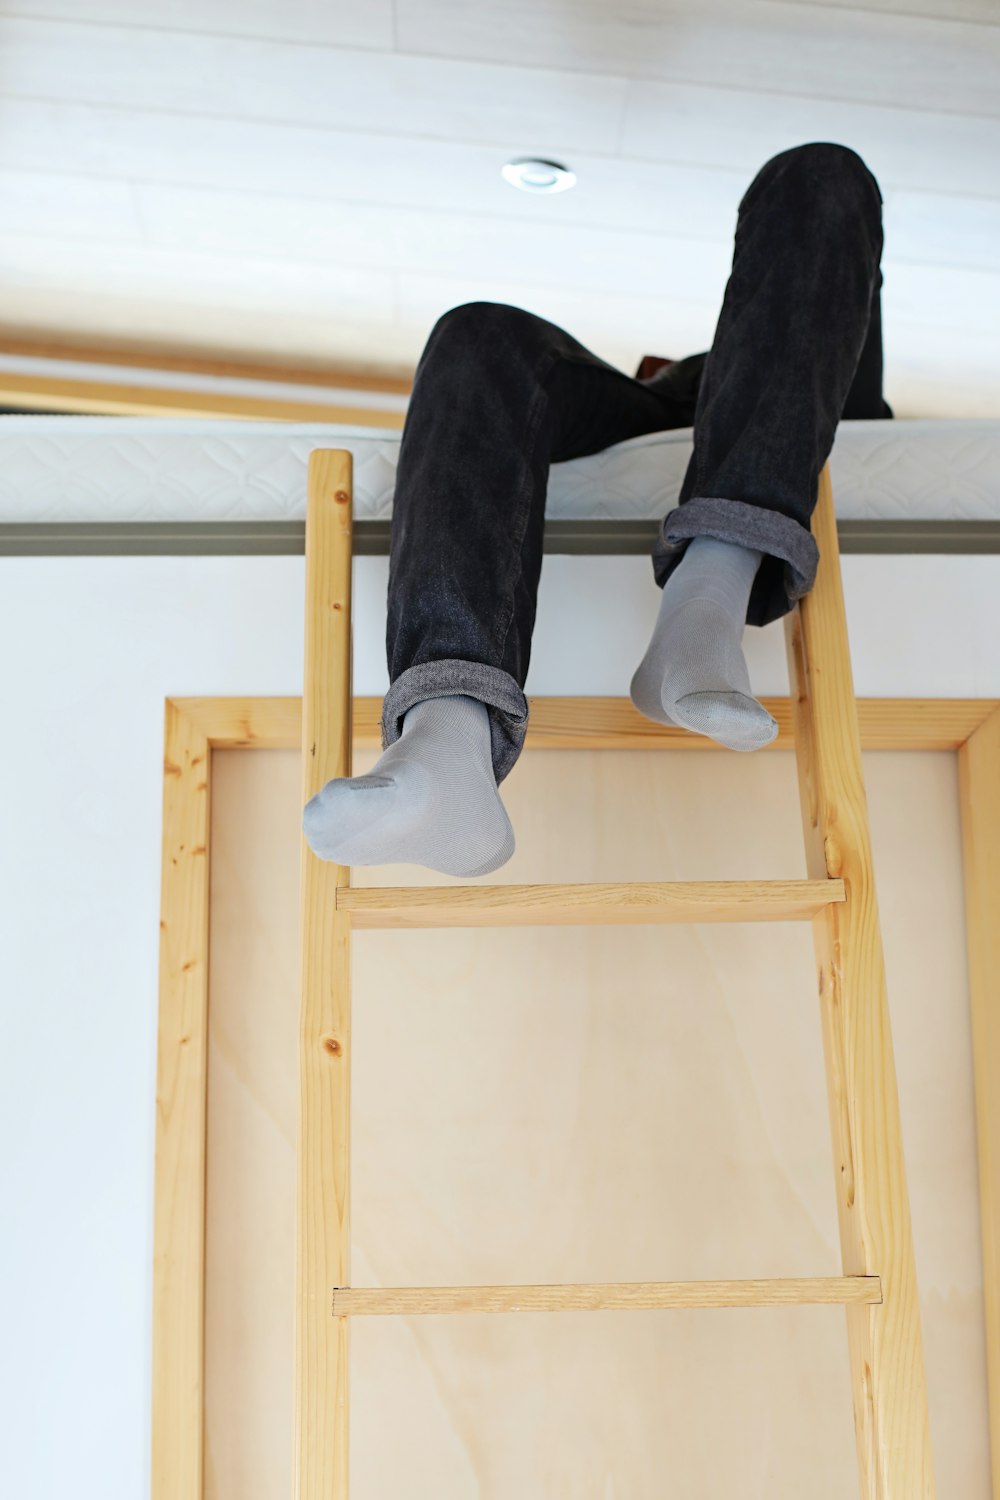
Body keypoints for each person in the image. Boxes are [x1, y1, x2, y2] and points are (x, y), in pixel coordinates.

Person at [303, 141, 891, 878]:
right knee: (477, 332)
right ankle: (443, 742)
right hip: (663, 403)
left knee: (823, 174)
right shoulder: (663, 387)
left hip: (805, 392)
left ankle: (706, 598)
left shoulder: (820, 338)